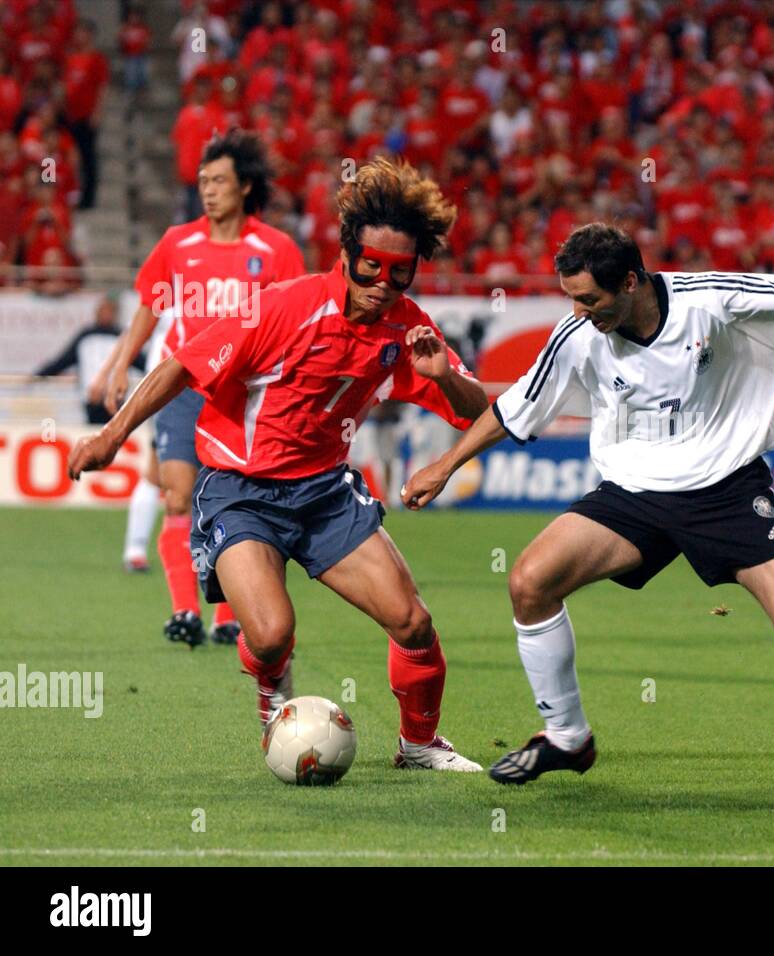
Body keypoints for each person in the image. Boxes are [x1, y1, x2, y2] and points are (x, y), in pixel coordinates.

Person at [402, 223, 774, 791]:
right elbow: (515, 409)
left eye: (590, 299)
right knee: (530, 581)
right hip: (634, 496)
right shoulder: (577, 334)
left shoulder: (710, 298)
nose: (581, 311)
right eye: (572, 299)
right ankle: (566, 737)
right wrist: (445, 465)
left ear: (630, 281)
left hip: (729, 490)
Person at [69, 157, 488, 772]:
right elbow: (181, 365)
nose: (382, 283)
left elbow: (481, 413)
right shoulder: (283, 308)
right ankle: (272, 688)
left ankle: (420, 745)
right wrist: (112, 434)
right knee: (268, 634)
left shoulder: (409, 329)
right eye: (372, 265)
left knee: (413, 622)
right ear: (347, 254)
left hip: (324, 494)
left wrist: (444, 377)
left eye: (400, 273)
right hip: (240, 491)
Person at [97, 129, 305, 647]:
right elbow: (149, 306)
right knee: (177, 493)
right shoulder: (177, 243)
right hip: (184, 387)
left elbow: (300, 320)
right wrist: (120, 364)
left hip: (245, 397)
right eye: (203, 181)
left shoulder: (276, 250)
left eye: (219, 181)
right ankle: (185, 612)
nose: (208, 190)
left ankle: (226, 616)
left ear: (245, 187)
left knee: (238, 507)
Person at [32, 295, 141, 425]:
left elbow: (141, 361)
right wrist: (38, 375)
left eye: (109, 311)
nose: (106, 314)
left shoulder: (122, 337)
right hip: (92, 397)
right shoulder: (86, 336)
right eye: (103, 310)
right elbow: (62, 361)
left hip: (115, 397)